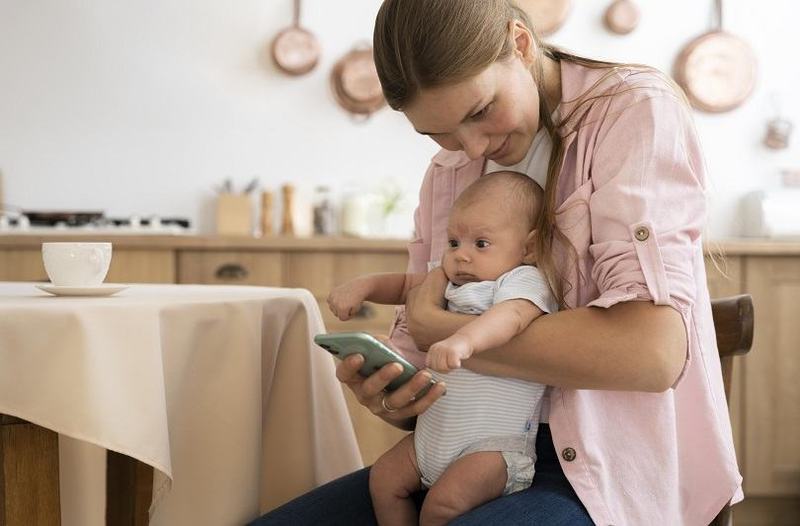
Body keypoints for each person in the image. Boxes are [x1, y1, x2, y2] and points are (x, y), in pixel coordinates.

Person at [250, 0, 742, 524]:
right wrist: (396, 398)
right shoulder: (451, 170)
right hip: (460, 452)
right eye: (437, 133)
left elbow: (651, 354)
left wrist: (440, 328)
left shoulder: (632, 111)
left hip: (603, 473)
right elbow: (427, 372)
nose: (470, 147)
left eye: (479, 111)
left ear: (521, 44)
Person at [327, 171, 558, 525]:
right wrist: (365, 286)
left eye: (481, 244)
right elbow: (408, 285)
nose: (461, 256)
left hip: (491, 449)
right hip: (431, 437)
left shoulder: (522, 280)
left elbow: (511, 318)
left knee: (441, 506)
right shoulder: (452, 278)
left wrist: (463, 339)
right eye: (453, 242)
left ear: (529, 247)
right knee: (385, 480)